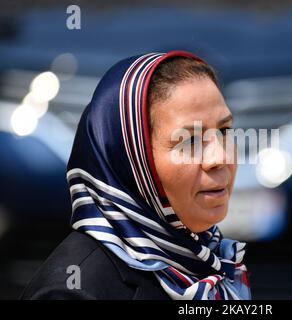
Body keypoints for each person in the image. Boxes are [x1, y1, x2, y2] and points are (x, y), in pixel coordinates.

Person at [20, 51, 251, 300]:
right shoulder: (72, 293)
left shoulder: (204, 259)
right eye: (190, 140)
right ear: (131, 159)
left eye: (225, 130)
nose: (220, 158)